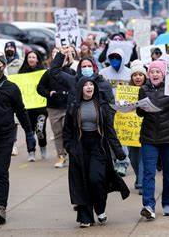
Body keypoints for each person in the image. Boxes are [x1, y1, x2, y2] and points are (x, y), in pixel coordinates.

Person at [63, 77, 130, 228]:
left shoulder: (101, 105)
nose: (89, 87)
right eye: (85, 85)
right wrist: (69, 148)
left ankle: (100, 209)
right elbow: (66, 131)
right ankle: (85, 217)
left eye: (91, 85)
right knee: (82, 183)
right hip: (79, 148)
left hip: (98, 147)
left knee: (96, 179)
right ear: (80, 88)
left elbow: (109, 130)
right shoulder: (74, 106)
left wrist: (118, 151)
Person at [0, 53, 32, 224]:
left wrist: (29, 133)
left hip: (5, 136)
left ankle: (1, 207)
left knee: (0, 171)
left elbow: (21, 111)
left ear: (3, 66)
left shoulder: (12, 88)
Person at [137, 60, 169, 220]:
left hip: (168, 137)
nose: (155, 74)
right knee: (149, 173)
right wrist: (139, 108)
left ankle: (167, 203)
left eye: (158, 71)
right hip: (149, 137)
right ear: (148, 75)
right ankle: (148, 206)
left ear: (163, 74)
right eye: (152, 72)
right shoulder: (143, 89)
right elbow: (140, 114)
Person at [37, 48, 75, 168]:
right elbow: (39, 88)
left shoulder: (71, 72)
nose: (57, 57)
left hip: (68, 107)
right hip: (53, 108)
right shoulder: (48, 73)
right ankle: (61, 156)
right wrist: (48, 93)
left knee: (67, 131)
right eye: (54, 54)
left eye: (59, 54)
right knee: (57, 133)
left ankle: (72, 154)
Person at [99, 48, 132, 177]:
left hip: (125, 110)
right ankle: (114, 161)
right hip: (109, 110)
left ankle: (123, 162)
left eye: (117, 58)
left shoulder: (129, 73)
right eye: (112, 58)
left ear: (122, 58)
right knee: (111, 137)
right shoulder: (103, 73)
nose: (114, 60)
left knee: (122, 138)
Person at [50, 47, 114, 107]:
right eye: (84, 67)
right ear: (79, 69)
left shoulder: (102, 83)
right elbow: (55, 72)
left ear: (93, 68)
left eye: (89, 66)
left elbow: (110, 105)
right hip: (77, 117)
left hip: (98, 118)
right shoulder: (73, 81)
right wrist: (61, 54)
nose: (87, 68)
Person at [19, 50, 48, 161]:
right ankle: (31, 152)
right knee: (29, 131)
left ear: (37, 59)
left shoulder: (43, 73)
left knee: (40, 129)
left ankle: (43, 148)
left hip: (41, 107)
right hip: (27, 108)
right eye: (29, 57)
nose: (31, 59)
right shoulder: (21, 73)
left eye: (33, 57)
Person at [128, 60, 147, 194]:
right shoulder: (126, 91)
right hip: (130, 130)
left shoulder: (149, 90)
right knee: (133, 158)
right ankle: (138, 177)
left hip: (146, 129)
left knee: (143, 157)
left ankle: (142, 182)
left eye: (141, 74)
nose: (138, 77)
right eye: (135, 75)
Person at [5, 41, 25, 156]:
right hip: (4, 94)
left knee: (14, 121)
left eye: (12, 47)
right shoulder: (2, 61)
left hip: (15, 94)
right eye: (7, 47)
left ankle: (13, 144)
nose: (9, 49)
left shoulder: (20, 63)